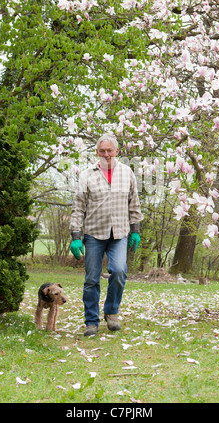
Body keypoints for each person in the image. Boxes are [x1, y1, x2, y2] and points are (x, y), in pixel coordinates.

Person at [70, 134, 143, 336]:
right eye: (102, 151)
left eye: (110, 150)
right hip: (94, 233)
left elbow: (134, 204)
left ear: (117, 151)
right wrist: (76, 235)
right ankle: (91, 322)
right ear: (97, 152)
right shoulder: (87, 175)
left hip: (119, 233)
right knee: (92, 279)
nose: (106, 154)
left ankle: (111, 312)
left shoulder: (127, 173)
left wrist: (135, 230)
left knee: (119, 271)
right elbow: (78, 207)